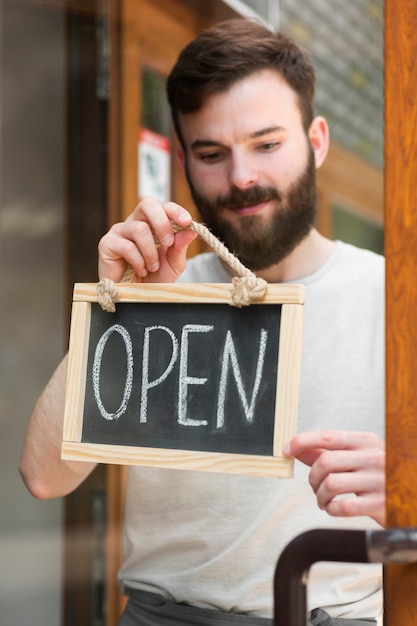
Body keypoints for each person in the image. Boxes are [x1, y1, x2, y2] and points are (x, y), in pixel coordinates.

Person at [20, 18, 385, 626]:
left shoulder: (394, 299)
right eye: (213, 154)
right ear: (183, 160)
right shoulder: (163, 294)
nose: (241, 177)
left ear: (316, 141)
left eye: (267, 144)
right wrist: (124, 311)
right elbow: (44, 476)